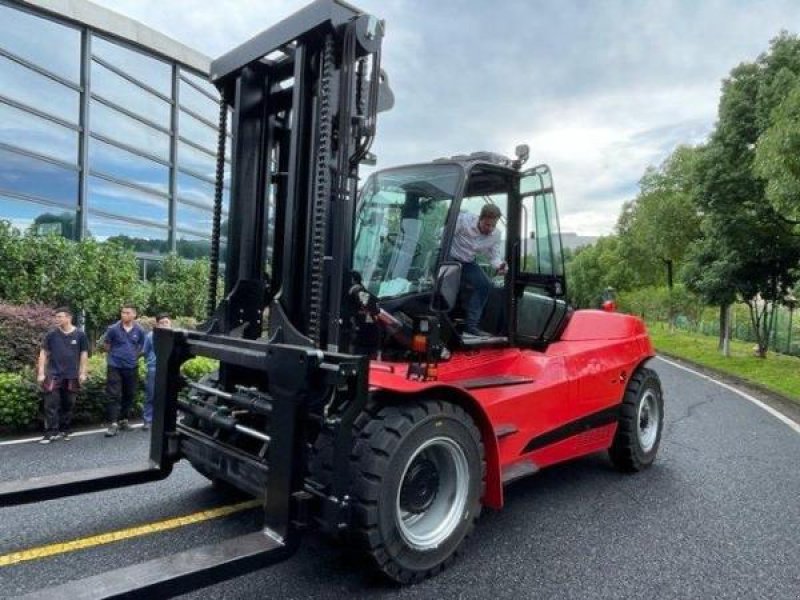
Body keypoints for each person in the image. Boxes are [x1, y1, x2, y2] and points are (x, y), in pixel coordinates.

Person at [449, 204, 507, 336]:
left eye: (493, 225)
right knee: (447, 285)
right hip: (450, 257)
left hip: (468, 262)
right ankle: (443, 318)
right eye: (487, 225)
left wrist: (500, 266)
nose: (490, 229)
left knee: (484, 284)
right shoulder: (464, 221)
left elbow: (494, 256)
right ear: (480, 218)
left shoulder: (495, 235)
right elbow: (444, 234)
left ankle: (471, 326)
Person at [36, 307, 88, 444]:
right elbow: (43, 353)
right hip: (53, 374)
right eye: (56, 317)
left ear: (69, 317)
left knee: (69, 403)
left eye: (60, 317)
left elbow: (83, 354)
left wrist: (83, 372)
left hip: (71, 375)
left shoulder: (80, 335)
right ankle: (51, 432)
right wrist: (41, 373)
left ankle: (65, 429)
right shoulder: (51, 334)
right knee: (50, 404)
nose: (57, 319)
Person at [103, 304, 145, 437]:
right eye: (122, 312)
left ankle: (123, 420)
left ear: (134, 315)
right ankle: (113, 424)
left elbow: (141, 346)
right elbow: (106, 345)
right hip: (114, 366)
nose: (124, 315)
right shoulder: (113, 329)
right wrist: (115, 355)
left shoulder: (139, 330)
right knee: (114, 394)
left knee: (130, 393)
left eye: (127, 313)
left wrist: (133, 356)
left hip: (131, 366)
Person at [141, 313, 172, 431]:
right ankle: (148, 420)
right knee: (151, 395)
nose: (164, 325)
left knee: (168, 395)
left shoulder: (174, 335)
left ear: (170, 323)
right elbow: (146, 351)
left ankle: (166, 420)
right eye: (162, 323)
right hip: (154, 368)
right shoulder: (150, 336)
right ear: (157, 324)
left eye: (166, 322)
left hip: (170, 368)